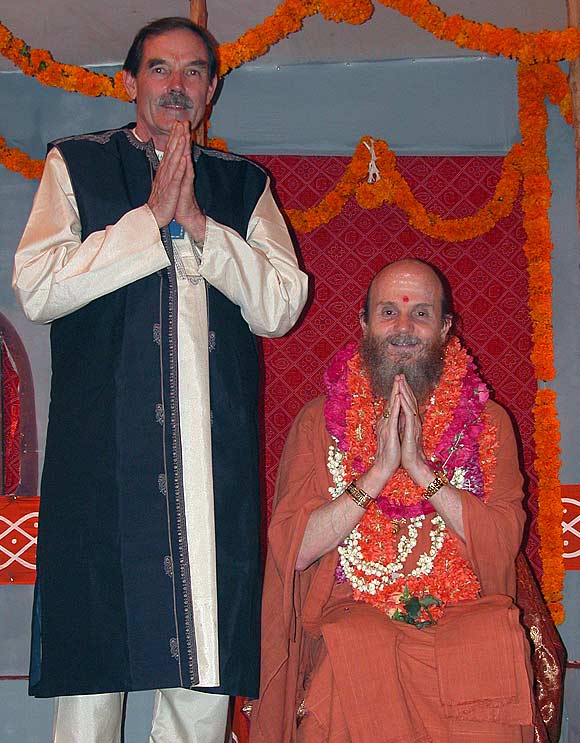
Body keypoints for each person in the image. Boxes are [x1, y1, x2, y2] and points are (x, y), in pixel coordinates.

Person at [13, 16, 307, 743]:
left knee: (200, 681)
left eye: (194, 71)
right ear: (129, 81)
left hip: (209, 470)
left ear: (212, 89)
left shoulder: (243, 186)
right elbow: (38, 287)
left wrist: (202, 226)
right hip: (102, 463)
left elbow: (280, 304)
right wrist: (148, 222)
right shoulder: (76, 166)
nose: (177, 85)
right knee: (92, 673)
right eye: (160, 69)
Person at [250, 259, 534, 743]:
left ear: (445, 327)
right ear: (364, 324)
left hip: (463, 610)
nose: (404, 328)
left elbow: (502, 543)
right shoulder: (319, 422)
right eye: (388, 312)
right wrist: (378, 472)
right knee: (358, 645)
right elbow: (295, 550)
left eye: (421, 313)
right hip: (355, 611)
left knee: (487, 645)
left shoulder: (487, 423)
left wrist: (421, 469)